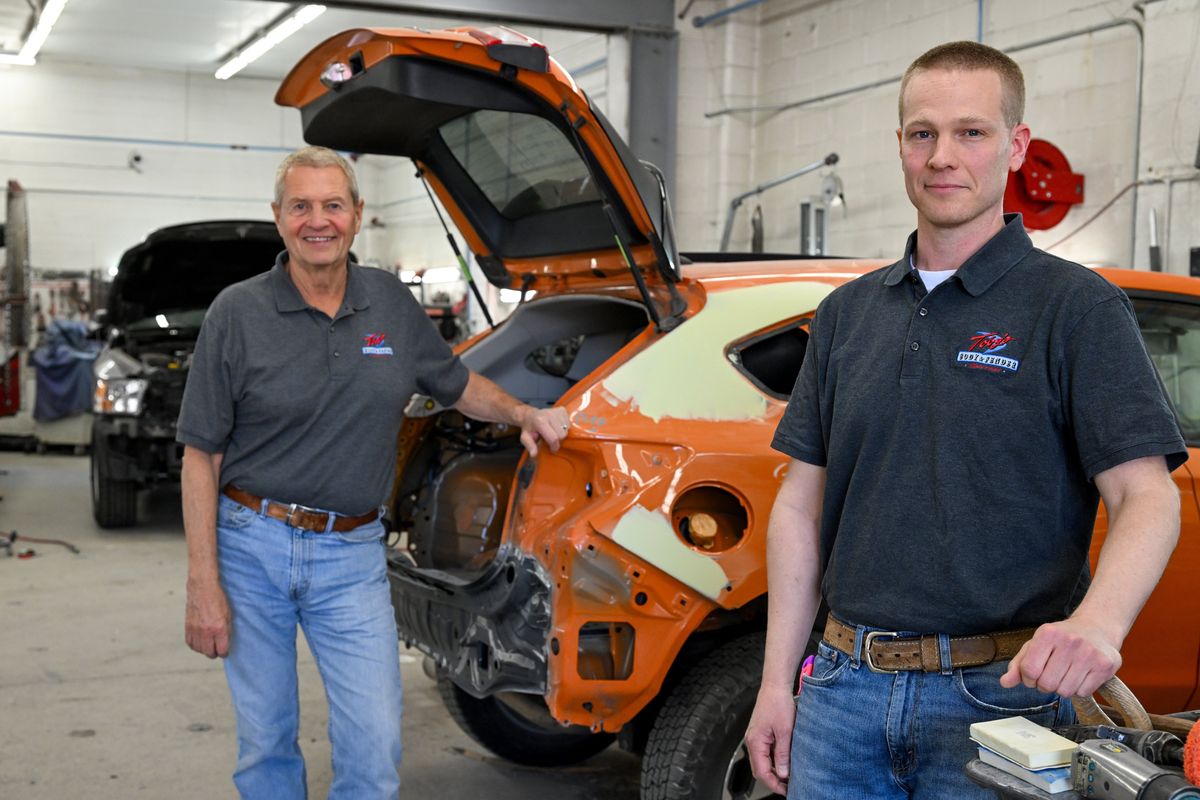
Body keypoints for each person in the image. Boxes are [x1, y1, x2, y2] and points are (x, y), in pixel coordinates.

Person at [745, 41, 1186, 799]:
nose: (943, 156)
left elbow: (1147, 495)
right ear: (901, 146)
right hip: (841, 694)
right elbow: (799, 505)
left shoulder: (1075, 308)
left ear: (1016, 145)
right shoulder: (847, 315)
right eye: (923, 133)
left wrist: (1099, 624)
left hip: (1004, 702)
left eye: (971, 132)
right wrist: (775, 682)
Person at [177, 146, 569, 799]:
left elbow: (455, 382)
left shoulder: (387, 300)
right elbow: (200, 455)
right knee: (266, 741)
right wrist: (202, 583)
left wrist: (523, 413)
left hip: (351, 555)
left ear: (358, 216)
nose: (317, 220)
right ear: (278, 218)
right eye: (300, 206)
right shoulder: (236, 314)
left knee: (374, 742)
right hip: (252, 545)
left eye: (333, 205)